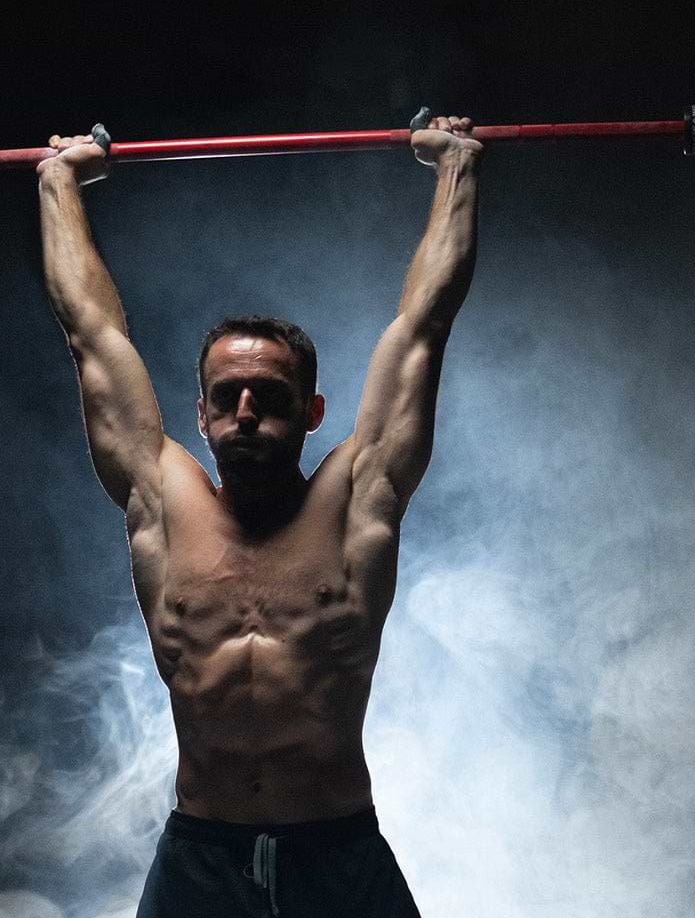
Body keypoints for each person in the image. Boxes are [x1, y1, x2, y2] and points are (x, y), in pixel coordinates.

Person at [28, 116, 483, 917]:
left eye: (269, 396)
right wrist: (58, 181)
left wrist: (455, 167)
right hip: (201, 858)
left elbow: (424, 327)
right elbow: (89, 336)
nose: (245, 412)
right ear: (199, 414)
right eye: (226, 396)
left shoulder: (356, 499)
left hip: (337, 853)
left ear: (311, 412)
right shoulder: (162, 500)